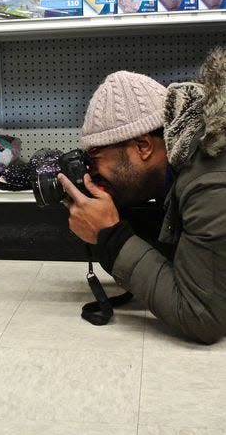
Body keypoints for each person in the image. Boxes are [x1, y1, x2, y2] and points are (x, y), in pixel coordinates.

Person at [58, 48, 226, 344]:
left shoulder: (209, 181)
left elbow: (202, 319)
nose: (92, 173)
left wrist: (112, 236)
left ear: (143, 147)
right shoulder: (190, 158)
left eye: (95, 159)